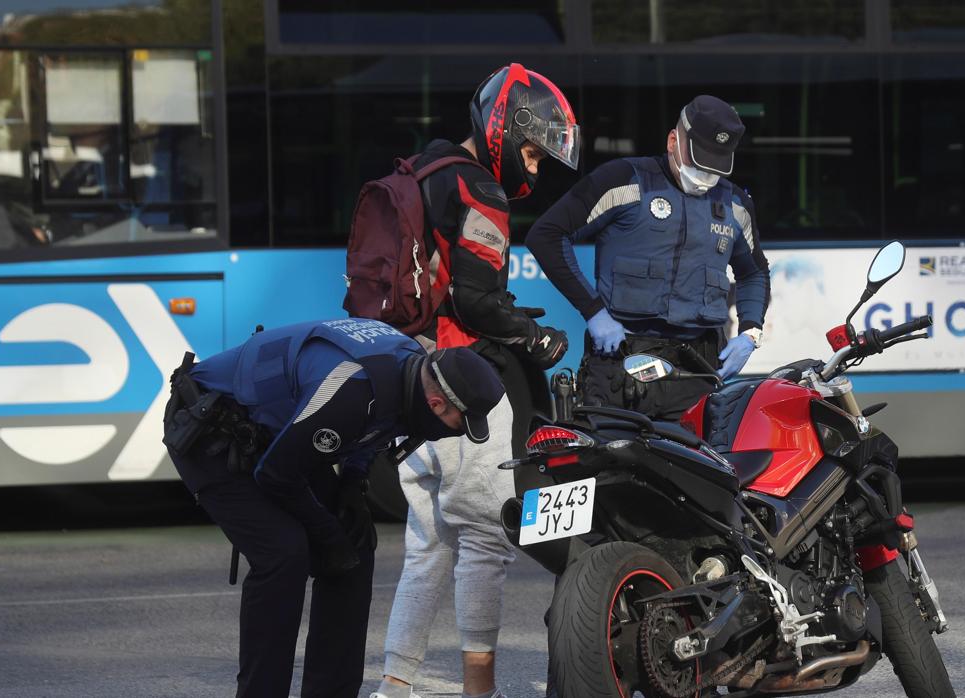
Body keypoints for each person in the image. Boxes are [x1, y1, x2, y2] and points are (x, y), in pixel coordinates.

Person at [373, 63, 580, 698]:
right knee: (486, 544)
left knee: (426, 551)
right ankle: (477, 691)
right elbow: (476, 298)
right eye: (533, 153)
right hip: (468, 392)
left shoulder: (422, 172)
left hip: (411, 380)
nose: (536, 169)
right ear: (506, 129)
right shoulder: (479, 191)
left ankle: (395, 687)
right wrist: (535, 337)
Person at [162, 317, 505, 698]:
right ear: (437, 402)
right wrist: (326, 533)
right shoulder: (352, 388)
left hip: (275, 435)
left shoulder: (412, 367)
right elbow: (276, 475)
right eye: (461, 422)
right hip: (208, 428)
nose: (459, 431)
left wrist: (352, 486)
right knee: (283, 552)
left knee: (355, 548)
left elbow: (374, 430)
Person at [527, 95, 772, 421]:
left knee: (695, 470)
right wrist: (593, 312)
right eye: (698, 161)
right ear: (673, 140)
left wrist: (750, 333)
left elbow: (754, 272)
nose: (703, 175)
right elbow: (546, 234)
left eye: (713, 166)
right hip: (621, 366)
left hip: (696, 371)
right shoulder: (623, 180)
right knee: (611, 467)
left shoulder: (735, 204)